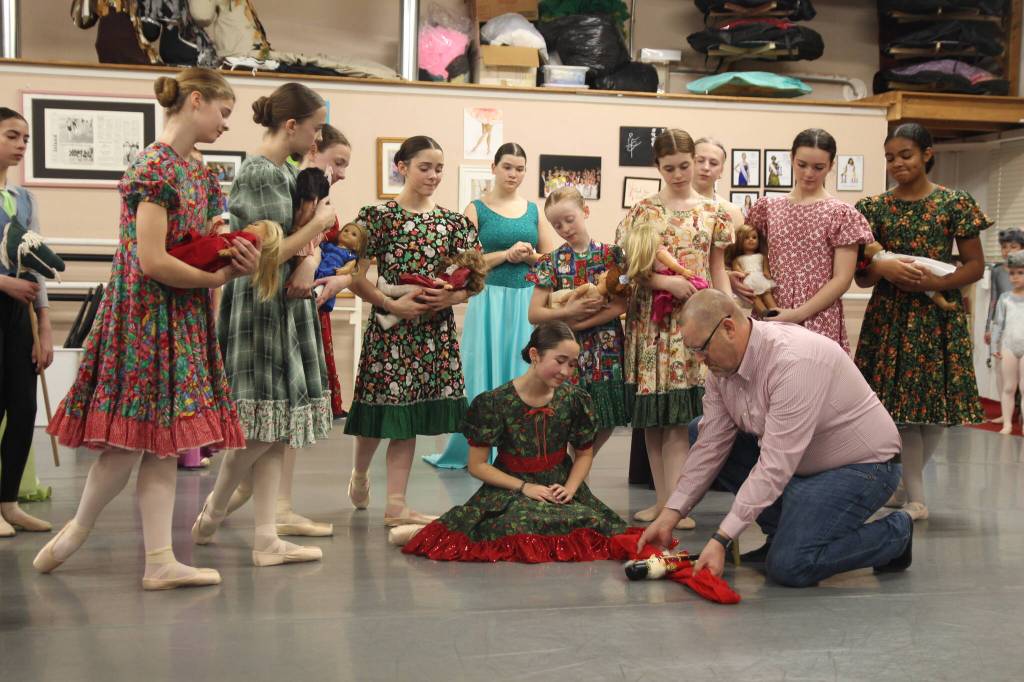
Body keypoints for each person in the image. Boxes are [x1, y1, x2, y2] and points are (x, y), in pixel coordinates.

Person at [37, 68, 259, 589]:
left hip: (181, 315)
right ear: (197, 101)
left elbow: (205, 233)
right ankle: (80, 528)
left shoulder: (199, 172)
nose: (227, 124)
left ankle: (159, 558)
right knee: (131, 441)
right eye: (223, 112)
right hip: (144, 317)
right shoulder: (152, 167)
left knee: (164, 440)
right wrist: (221, 273)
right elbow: (153, 262)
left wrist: (228, 247)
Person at [638, 289, 913, 587]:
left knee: (790, 565)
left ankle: (896, 533)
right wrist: (671, 514)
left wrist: (723, 537)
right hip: (803, 464)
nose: (701, 361)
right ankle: (783, 533)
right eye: (694, 352)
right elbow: (710, 445)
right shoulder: (720, 371)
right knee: (698, 429)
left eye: (702, 349)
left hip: (863, 467)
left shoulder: (793, 361)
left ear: (729, 328)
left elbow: (775, 465)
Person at [191, 82, 335, 566]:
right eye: (313, 130)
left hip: (281, 304)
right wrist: (315, 231)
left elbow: (292, 244)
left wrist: (310, 253)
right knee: (260, 427)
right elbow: (260, 255)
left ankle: (265, 536)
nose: (316, 140)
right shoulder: (258, 173)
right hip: (259, 304)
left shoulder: (285, 171)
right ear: (291, 126)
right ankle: (214, 509)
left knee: (276, 427)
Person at [399, 322, 630, 561]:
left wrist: (570, 488)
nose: (566, 371)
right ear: (534, 355)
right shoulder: (495, 402)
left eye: (572, 364)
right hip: (509, 489)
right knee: (520, 523)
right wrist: (524, 487)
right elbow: (478, 465)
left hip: (558, 488)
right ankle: (422, 531)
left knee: (587, 523)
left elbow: (584, 454)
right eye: (560, 361)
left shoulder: (575, 400)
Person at [854, 123, 990, 521]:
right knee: (901, 413)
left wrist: (936, 281)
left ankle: (904, 489)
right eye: (890, 157)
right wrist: (886, 269)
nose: (897, 163)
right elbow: (862, 276)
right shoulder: (873, 208)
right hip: (890, 317)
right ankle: (916, 497)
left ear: (927, 154)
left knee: (933, 413)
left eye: (906, 155)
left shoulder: (955, 202)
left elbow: (976, 266)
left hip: (936, 315)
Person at [343, 135, 479, 525]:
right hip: (389, 331)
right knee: (376, 415)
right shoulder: (376, 217)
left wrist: (449, 299)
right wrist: (390, 304)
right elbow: (354, 277)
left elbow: (474, 280)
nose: (433, 175)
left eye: (439, 168)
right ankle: (359, 473)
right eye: (425, 167)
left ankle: (396, 504)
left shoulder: (453, 223)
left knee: (408, 420)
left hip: (432, 334)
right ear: (401, 167)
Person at [616, 128, 733, 529]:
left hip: (694, 321)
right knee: (654, 414)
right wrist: (666, 283)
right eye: (670, 168)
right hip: (652, 322)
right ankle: (663, 499)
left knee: (680, 416)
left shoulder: (713, 212)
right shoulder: (643, 210)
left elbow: (717, 266)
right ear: (657, 168)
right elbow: (633, 267)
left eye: (685, 165)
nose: (680, 173)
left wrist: (728, 310)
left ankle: (675, 506)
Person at [424, 142, 555, 469]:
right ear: (494, 168)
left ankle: (518, 447)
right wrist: (504, 255)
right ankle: (478, 448)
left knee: (522, 366)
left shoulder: (533, 211)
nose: (514, 173)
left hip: (525, 299)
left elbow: (551, 259)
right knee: (482, 367)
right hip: (489, 298)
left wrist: (530, 255)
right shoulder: (476, 208)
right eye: (508, 166)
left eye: (520, 168)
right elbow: (463, 262)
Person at [746, 129, 873, 351]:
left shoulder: (842, 214)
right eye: (802, 164)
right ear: (791, 158)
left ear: (831, 166)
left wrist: (797, 314)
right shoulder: (767, 207)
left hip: (818, 317)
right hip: (772, 310)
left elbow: (842, 279)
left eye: (818, 167)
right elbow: (752, 259)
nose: (808, 174)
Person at [527, 187, 629, 455]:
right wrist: (569, 313)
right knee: (571, 415)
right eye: (556, 224)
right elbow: (535, 314)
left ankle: (580, 465)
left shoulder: (613, 255)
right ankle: (576, 470)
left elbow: (622, 304)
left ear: (585, 211)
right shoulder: (550, 262)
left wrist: (580, 323)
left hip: (607, 350)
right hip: (568, 353)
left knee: (608, 416)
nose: (564, 228)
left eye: (569, 219)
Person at [0, 107, 54, 537]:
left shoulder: (24, 199)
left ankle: (9, 501)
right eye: (11, 136)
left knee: (23, 407)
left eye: (25, 138)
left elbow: (36, 266)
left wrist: (45, 324)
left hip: (18, 316)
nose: (20, 145)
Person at [985, 228, 1024, 423]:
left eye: (1014, 247)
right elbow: (993, 299)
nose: (1008, 251)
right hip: (1004, 329)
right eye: (1004, 247)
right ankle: (1005, 412)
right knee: (1003, 373)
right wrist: (988, 328)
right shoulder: (997, 270)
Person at [992, 251, 1024, 435]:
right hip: (1009, 346)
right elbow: (998, 324)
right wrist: (995, 346)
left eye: (1020, 273)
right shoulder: (1005, 298)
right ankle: (1008, 424)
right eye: (1012, 273)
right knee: (1009, 387)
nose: (1015, 277)